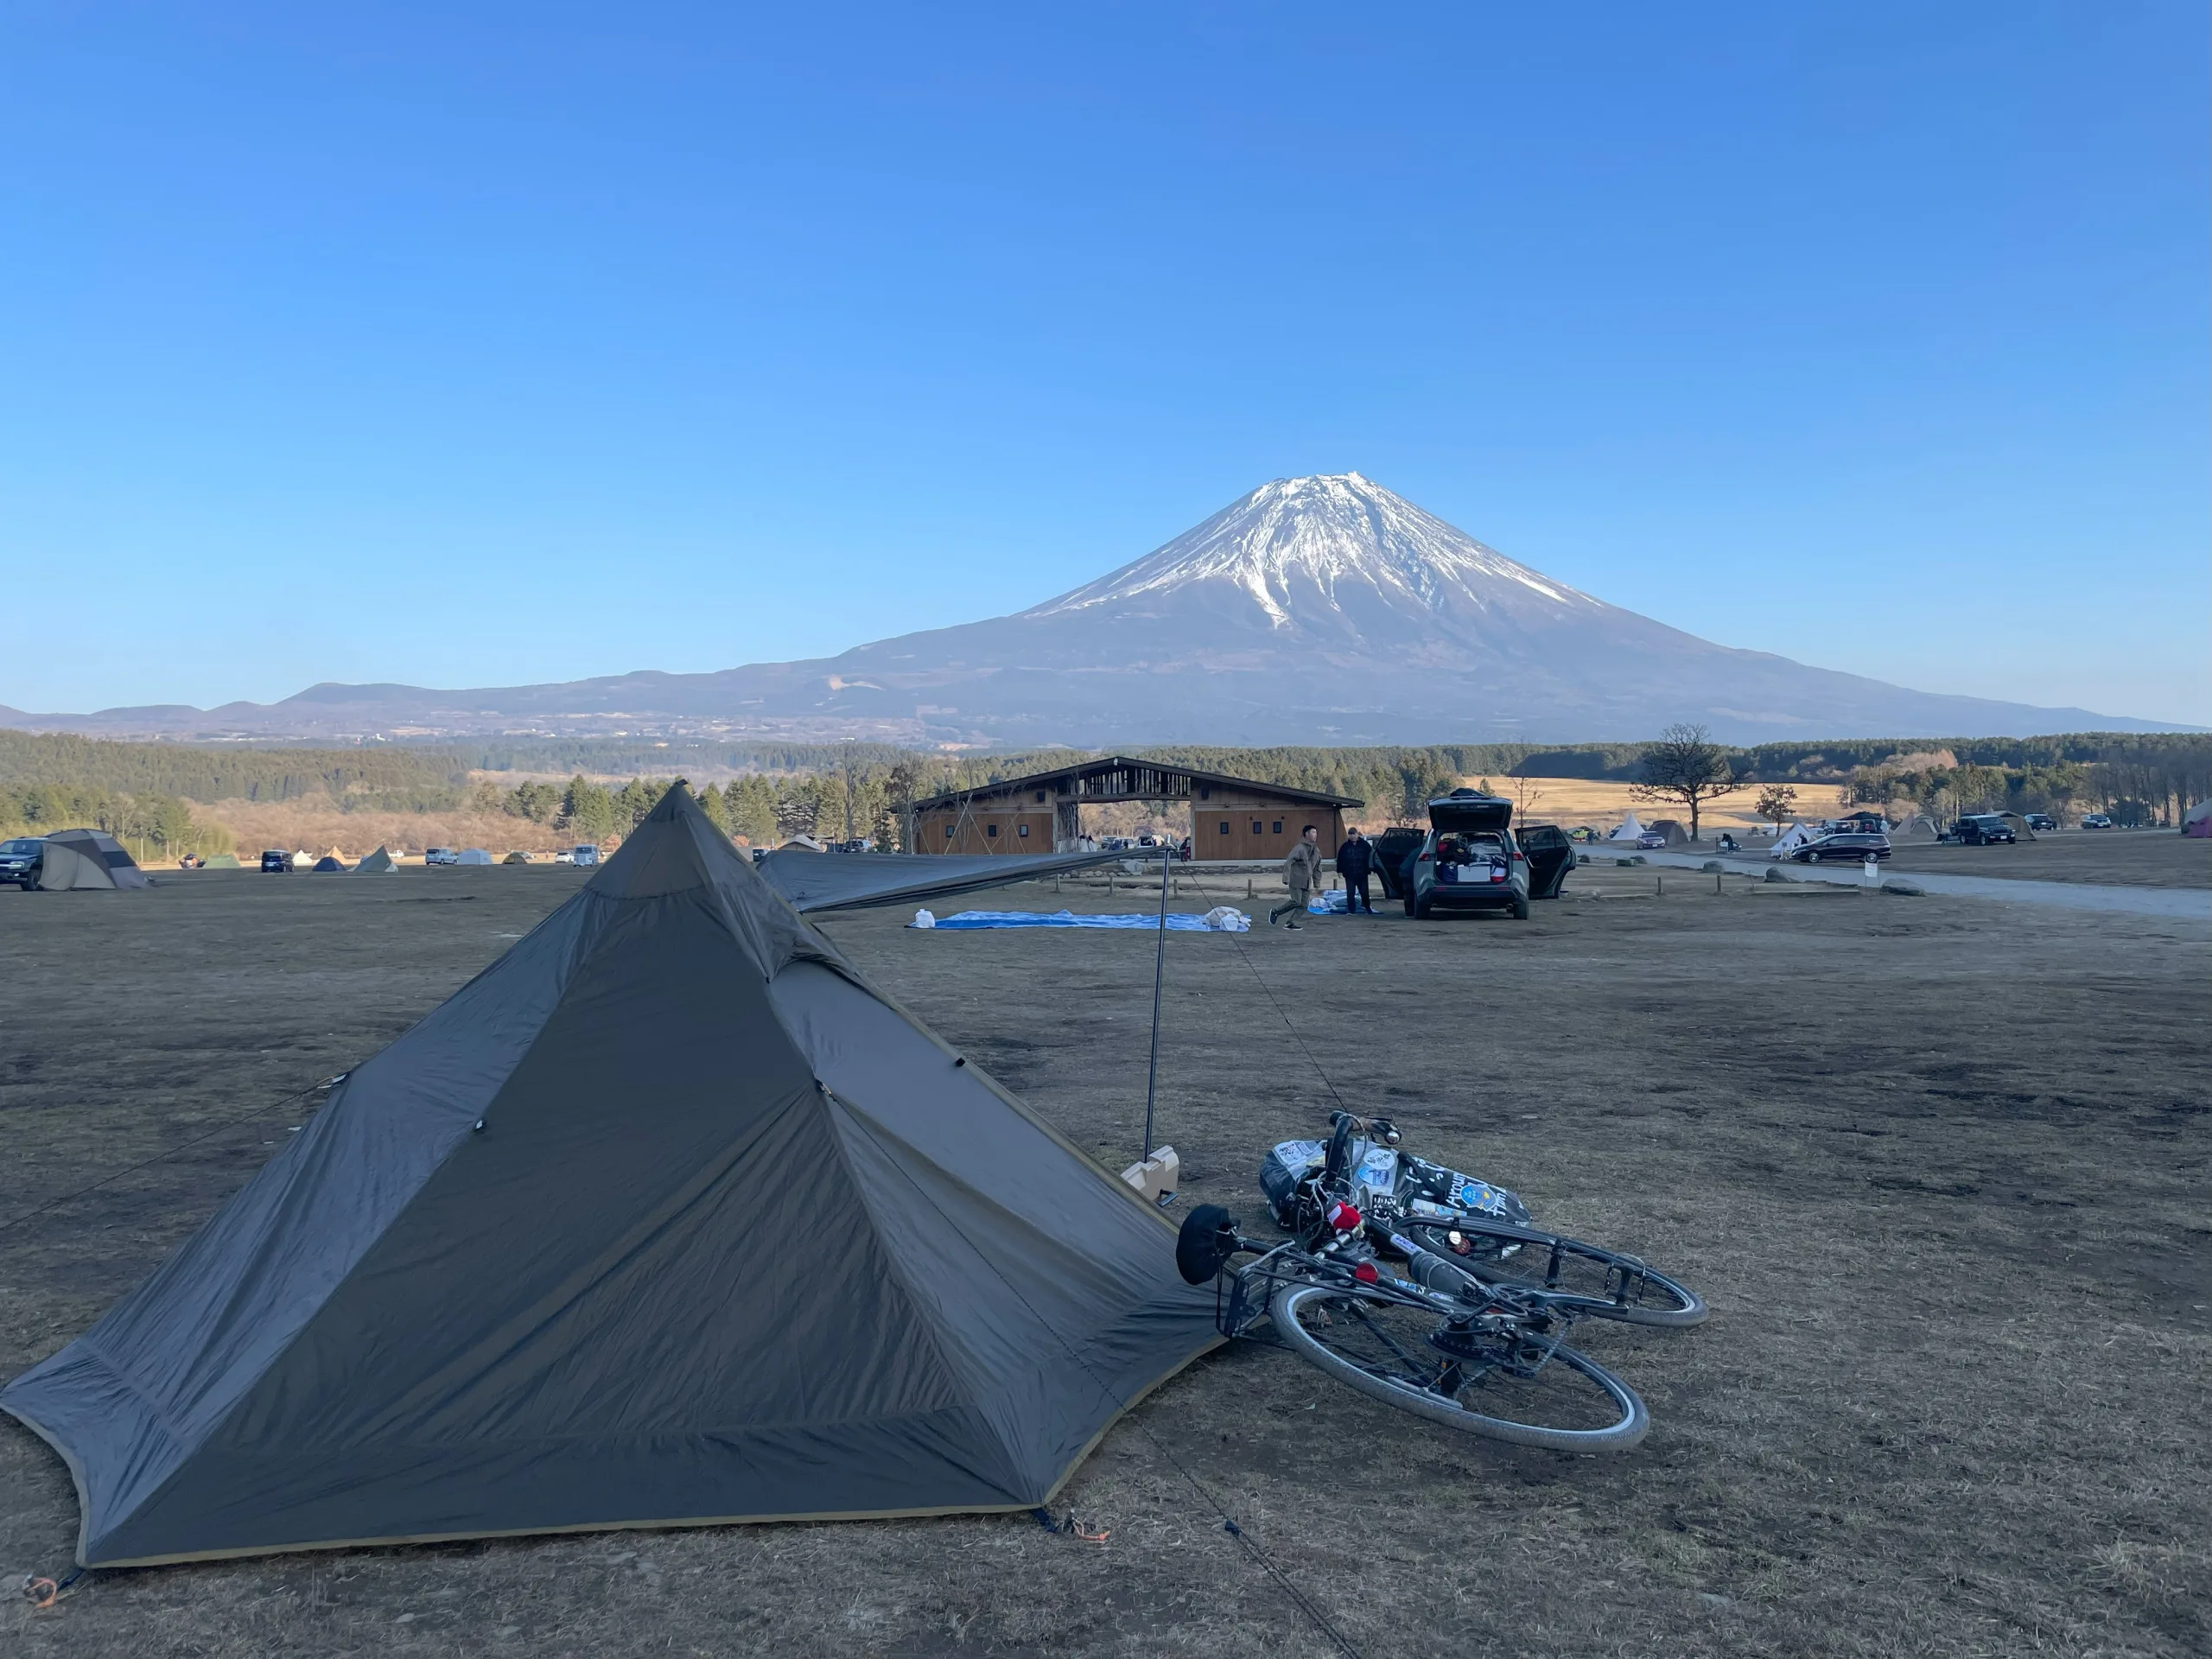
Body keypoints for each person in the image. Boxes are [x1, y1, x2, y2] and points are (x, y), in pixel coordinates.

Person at [1269, 824, 1325, 928]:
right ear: (1306, 834)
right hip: (1296, 880)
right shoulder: (1299, 848)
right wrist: (1286, 877)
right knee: (1296, 901)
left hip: (1307, 882)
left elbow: (1317, 868)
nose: (1315, 835)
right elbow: (1288, 862)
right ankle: (1275, 911)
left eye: (1316, 833)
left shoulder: (1316, 851)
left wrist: (1317, 883)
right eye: (1313, 832)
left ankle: (1290, 923)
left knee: (1304, 905)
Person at [1335, 826, 1375, 912]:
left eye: (1353, 834)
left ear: (1357, 834)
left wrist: (1372, 868)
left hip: (1362, 873)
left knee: (1364, 892)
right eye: (1350, 835)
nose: (1352, 836)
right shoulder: (1345, 846)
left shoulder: (1365, 845)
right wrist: (1339, 871)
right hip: (1349, 874)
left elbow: (1372, 856)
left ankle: (1367, 907)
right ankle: (1351, 910)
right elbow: (1340, 858)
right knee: (1350, 893)